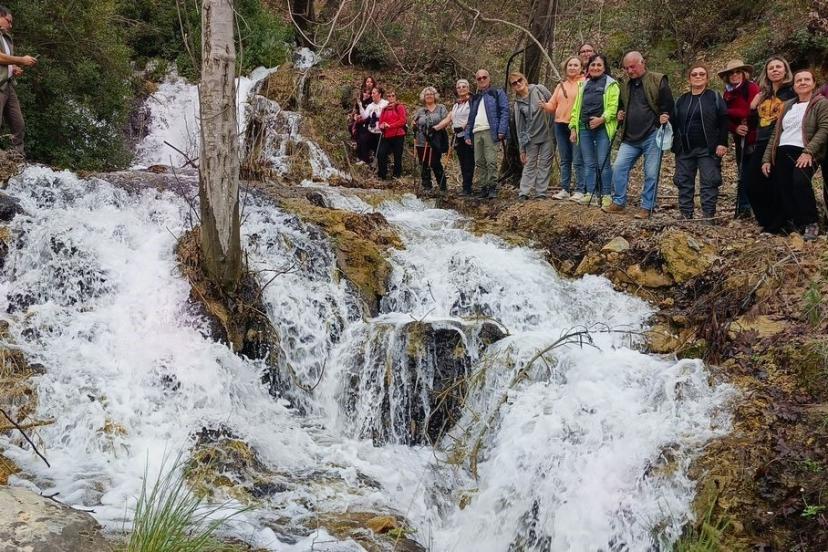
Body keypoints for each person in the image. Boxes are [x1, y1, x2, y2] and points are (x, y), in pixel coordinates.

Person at [606, 51, 675, 218]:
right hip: (630, 136)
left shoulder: (658, 80)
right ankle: (619, 202)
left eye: (632, 67)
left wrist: (665, 116)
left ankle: (647, 206)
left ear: (642, 63)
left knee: (651, 173)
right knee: (618, 168)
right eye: (626, 68)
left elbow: (668, 104)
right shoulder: (625, 85)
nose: (630, 71)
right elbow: (622, 106)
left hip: (652, 134)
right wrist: (620, 114)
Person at [761, 70, 828, 240]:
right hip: (782, 151)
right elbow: (776, 134)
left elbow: (824, 128)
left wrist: (809, 152)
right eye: (799, 80)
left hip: (805, 151)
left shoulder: (821, 103)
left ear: (814, 84)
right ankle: (795, 223)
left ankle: (811, 223)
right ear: (794, 85)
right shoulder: (787, 105)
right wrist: (767, 158)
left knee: (800, 183)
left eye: (807, 79)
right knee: (784, 187)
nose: (802, 82)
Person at [672, 63, 729, 222]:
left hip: (708, 148)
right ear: (689, 79)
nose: (698, 77)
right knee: (683, 181)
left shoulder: (714, 97)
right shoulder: (682, 99)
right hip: (685, 148)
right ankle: (685, 214)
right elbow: (674, 123)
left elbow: (724, 121)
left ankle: (708, 216)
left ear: (707, 78)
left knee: (710, 181)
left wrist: (722, 143)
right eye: (694, 74)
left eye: (702, 74)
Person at [747, 56, 795, 230]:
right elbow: (754, 122)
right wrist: (753, 107)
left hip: (783, 141)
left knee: (778, 183)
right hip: (762, 141)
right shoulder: (763, 94)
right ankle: (766, 220)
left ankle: (781, 223)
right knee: (753, 182)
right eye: (771, 68)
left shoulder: (792, 92)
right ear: (766, 73)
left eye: (778, 67)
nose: (774, 70)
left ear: (785, 70)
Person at [568, 53, 619, 208]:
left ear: (604, 67)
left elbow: (613, 107)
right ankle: (590, 193)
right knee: (588, 163)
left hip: (603, 128)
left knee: (603, 162)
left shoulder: (611, 84)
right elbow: (576, 109)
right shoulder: (583, 85)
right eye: (593, 65)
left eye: (599, 65)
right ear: (588, 67)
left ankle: (606, 194)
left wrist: (602, 119)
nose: (596, 67)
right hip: (584, 128)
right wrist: (573, 128)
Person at [719, 59, 760, 219]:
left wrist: (729, 112)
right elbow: (724, 119)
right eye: (731, 73)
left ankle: (753, 206)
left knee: (752, 173)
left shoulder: (751, 88)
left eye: (738, 72)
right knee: (742, 172)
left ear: (744, 74)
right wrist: (734, 127)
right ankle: (744, 208)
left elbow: (750, 111)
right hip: (739, 137)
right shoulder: (727, 93)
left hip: (754, 137)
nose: (734, 75)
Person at [540, 56, 585, 200]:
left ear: (581, 68)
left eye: (575, 65)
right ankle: (565, 189)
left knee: (578, 159)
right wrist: (544, 105)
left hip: (576, 125)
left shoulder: (584, 83)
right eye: (570, 65)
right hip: (560, 125)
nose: (572, 68)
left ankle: (580, 190)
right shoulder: (560, 85)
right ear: (566, 68)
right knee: (565, 159)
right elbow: (552, 105)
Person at [465, 69, 510, 199]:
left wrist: (501, 130)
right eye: (479, 78)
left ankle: (492, 187)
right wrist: (467, 134)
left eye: (484, 77)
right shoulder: (475, 98)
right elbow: (471, 117)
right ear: (476, 81)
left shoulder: (497, 93)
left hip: (490, 130)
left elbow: (505, 111)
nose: (482, 80)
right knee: (479, 161)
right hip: (476, 132)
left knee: (491, 160)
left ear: (489, 78)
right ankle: (483, 187)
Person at [0, 6, 38, 155]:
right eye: (8, 21)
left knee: (18, 124)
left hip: (8, 85)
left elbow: (6, 61)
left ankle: (17, 158)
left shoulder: (6, 38)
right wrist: (21, 60)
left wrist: (13, 68)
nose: (10, 25)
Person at [511, 71, 554, 199]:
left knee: (545, 164)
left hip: (548, 133)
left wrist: (546, 106)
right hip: (531, 138)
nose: (518, 84)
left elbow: (553, 104)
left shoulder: (539, 89)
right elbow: (520, 127)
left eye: (519, 80)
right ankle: (524, 192)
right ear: (513, 87)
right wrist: (522, 149)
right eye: (514, 83)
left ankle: (541, 193)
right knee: (529, 164)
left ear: (525, 80)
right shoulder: (518, 104)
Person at [435, 79, 474, 195]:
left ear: (468, 88)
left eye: (464, 86)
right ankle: (465, 186)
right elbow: (449, 118)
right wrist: (435, 128)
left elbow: (473, 116)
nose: (461, 89)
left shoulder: (472, 102)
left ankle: (468, 188)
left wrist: (463, 127)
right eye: (459, 87)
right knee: (462, 162)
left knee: (469, 162)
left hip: (468, 135)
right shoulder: (456, 104)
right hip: (458, 136)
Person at [413, 86, 449, 192]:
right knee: (423, 163)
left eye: (431, 94)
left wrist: (435, 128)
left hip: (435, 140)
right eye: (427, 94)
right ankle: (427, 186)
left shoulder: (441, 108)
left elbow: (446, 121)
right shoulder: (420, 110)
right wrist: (414, 125)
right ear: (423, 97)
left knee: (435, 162)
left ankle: (442, 186)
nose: (429, 96)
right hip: (421, 140)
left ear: (435, 96)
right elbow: (414, 122)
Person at [376, 89, 407, 180]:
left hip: (398, 135)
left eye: (393, 95)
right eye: (389, 96)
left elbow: (403, 120)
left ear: (395, 97)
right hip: (387, 135)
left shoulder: (399, 107)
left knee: (397, 156)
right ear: (387, 98)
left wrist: (390, 126)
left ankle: (396, 176)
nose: (391, 97)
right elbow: (380, 122)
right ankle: (382, 175)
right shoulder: (384, 109)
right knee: (381, 154)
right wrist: (382, 126)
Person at [356, 85, 387, 166]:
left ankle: (378, 163)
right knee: (363, 138)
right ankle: (364, 159)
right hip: (371, 130)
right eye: (372, 93)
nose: (372, 95)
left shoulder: (385, 104)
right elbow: (365, 116)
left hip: (381, 131)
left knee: (380, 149)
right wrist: (360, 105)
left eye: (374, 93)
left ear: (379, 94)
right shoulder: (370, 105)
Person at [351, 76, 377, 164]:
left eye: (371, 82)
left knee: (363, 136)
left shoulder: (374, 98)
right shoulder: (361, 96)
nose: (369, 84)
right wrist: (355, 115)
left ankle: (365, 158)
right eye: (367, 82)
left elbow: (371, 113)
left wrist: (362, 118)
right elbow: (356, 109)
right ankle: (360, 156)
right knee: (354, 130)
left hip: (370, 122)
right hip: (359, 121)